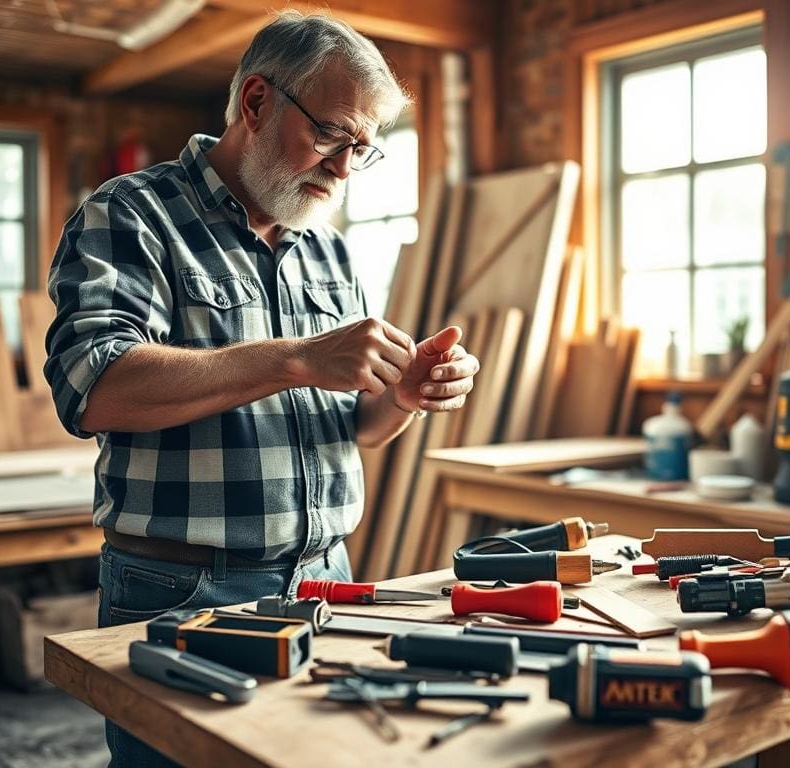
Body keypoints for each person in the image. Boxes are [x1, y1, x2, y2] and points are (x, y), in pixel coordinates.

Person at [44, 11, 480, 766]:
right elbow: (93, 385)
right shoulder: (133, 214)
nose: (344, 169)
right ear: (254, 103)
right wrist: (296, 359)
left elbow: (355, 429)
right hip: (181, 588)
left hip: (327, 581)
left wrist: (403, 396)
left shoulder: (330, 251)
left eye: (364, 151)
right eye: (333, 135)